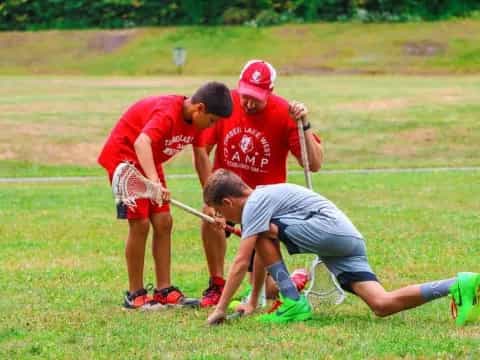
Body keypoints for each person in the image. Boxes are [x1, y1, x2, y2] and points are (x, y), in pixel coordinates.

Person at [203, 169, 480, 326]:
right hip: (347, 241)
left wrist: (220, 309)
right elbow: (259, 250)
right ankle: (457, 284)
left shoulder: (255, 202)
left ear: (228, 202)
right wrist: (252, 302)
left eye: (220, 211)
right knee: (381, 304)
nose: (223, 217)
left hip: (329, 230)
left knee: (260, 233)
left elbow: (241, 261)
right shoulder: (260, 204)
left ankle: (293, 303)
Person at [193, 60, 324, 307]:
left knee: (270, 290)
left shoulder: (285, 113)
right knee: (208, 218)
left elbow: (314, 164)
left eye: (257, 98)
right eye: (246, 96)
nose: (249, 103)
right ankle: (216, 285)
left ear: (270, 92)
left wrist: (304, 124)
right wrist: (208, 197)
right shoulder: (225, 106)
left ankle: (291, 279)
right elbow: (202, 150)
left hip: (263, 202)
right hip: (228, 195)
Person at [98, 82, 233, 310]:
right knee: (140, 223)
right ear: (199, 108)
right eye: (212, 121)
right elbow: (142, 143)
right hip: (126, 160)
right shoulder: (168, 113)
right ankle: (135, 295)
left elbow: (201, 157)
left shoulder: (197, 124)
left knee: (164, 221)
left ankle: (164, 290)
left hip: (149, 161)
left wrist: (211, 202)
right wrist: (154, 182)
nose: (212, 126)